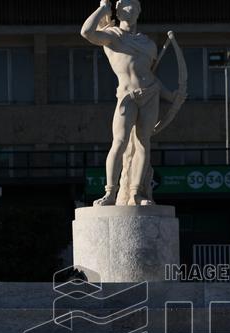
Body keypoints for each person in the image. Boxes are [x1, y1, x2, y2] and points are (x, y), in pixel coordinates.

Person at [81, 0, 185, 206]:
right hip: (126, 95)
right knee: (119, 142)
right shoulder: (111, 36)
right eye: (122, 6)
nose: (127, 9)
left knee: (143, 143)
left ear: (138, 11)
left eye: (132, 6)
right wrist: (102, 9)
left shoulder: (148, 43)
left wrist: (169, 96)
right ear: (117, 11)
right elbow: (86, 32)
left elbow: (149, 75)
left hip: (150, 93)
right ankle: (110, 193)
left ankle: (136, 193)